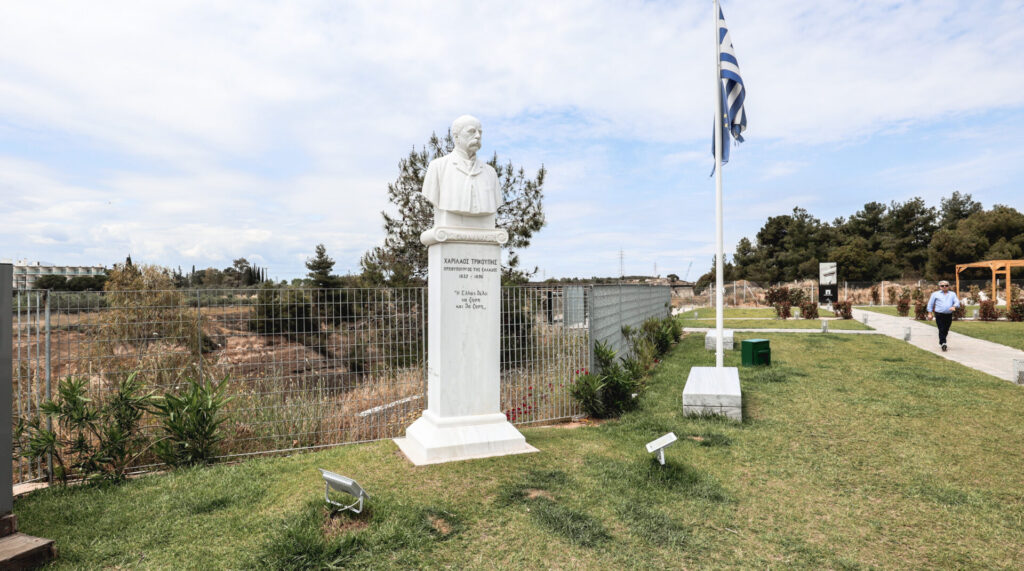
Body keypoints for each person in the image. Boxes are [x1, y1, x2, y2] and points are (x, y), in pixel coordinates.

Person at [421, 115, 502, 229]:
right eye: (471, 131)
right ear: (456, 136)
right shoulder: (437, 167)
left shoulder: (490, 172)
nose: (478, 136)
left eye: (480, 132)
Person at [926, 280, 960, 352]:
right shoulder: (935, 294)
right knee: (941, 329)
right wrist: (929, 313)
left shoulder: (952, 294)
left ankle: (942, 341)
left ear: (948, 286)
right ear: (940, 287)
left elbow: (957, 302)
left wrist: (954, 306)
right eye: (942, 286)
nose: (944, 287)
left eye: (946, 285)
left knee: (946, 329)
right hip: (939, 314)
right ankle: (943, 343)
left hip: (949, 315)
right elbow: (930, 304)